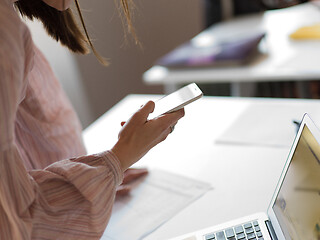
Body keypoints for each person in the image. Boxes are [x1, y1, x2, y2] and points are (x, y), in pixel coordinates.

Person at [0, 0, 185, 239]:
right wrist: (118, 160)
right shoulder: (5, 38)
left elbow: (27, 149)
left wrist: (92, 180)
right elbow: (18, 223)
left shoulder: (11, 28)